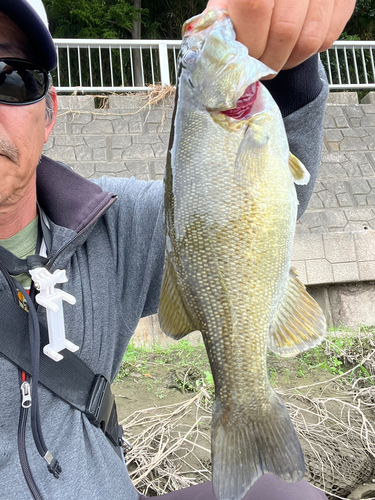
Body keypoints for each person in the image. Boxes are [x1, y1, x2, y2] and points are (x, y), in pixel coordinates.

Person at [0, 0, 355, 499]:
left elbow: (272, 209)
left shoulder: (107, 224)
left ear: (49, 112)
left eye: (10, 78)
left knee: (286, 495)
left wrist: (290, 57)